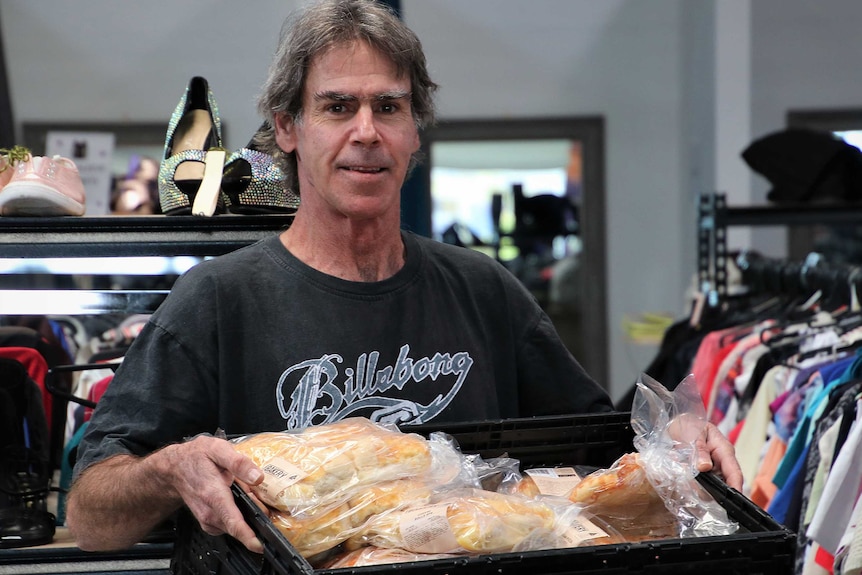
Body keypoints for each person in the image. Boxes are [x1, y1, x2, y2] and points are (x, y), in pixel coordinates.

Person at [66, 0, 742, 554]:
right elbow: (90, 514)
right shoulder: (219, 300)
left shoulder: (484, 292)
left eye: (389, 107)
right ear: (287, 127)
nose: (367, 131)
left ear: (415, 131)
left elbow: (602, 452)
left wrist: (675, 449)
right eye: (337, 107)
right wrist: (171, 467)